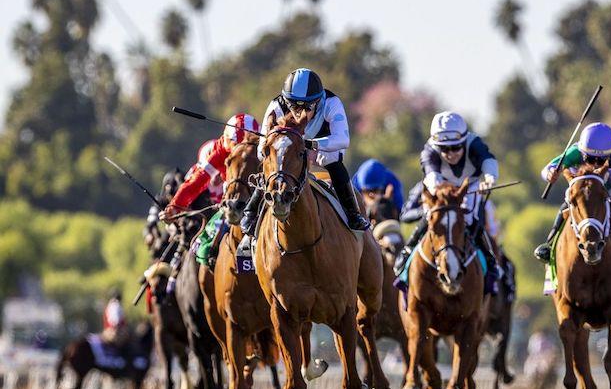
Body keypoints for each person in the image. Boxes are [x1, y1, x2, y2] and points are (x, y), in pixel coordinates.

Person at [241, 68, 370, 235]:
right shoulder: (276, 105)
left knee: (334, 163)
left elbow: (342, 139)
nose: (299, 111)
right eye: (293, 105)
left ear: (318, 100)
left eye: (308, 106)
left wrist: (312, 145)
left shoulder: (331, 103)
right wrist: (272, 146)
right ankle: (251, 212)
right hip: (288, 152)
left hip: (322, 150)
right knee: (273, 166)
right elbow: (261, 151)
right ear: (286, 100)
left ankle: (353, 214)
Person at [392, 111, 501, 289]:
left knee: (471, 221)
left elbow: (488, 160)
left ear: (464, 141)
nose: (450, 153)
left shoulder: (474, 143)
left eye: (456, 147)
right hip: (440, 191)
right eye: (444, 149)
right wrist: (443, 198)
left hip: (469, 189)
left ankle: (490, 263)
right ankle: (406, 255)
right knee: (431, 219)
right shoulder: (428, 150)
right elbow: (432, 176)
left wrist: (489, 179)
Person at [160, 113, 260, 292]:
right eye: (234, 150)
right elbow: (196, 181)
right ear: (227, 141)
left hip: (259, 197)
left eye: (246, 150)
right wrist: (175, 206)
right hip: (232, 204)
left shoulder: (262, 145)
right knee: (204, 249)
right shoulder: (220, 149)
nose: (240, 155)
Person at [533, 122, 611, 265]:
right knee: (569, 201)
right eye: (589, 159)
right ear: (582, 153)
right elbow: (549, 167)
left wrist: (606, 174)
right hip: (587, 183)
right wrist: (551, 173)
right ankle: (549, 243)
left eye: (601, 161)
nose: (595, 164)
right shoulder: (575, 151)